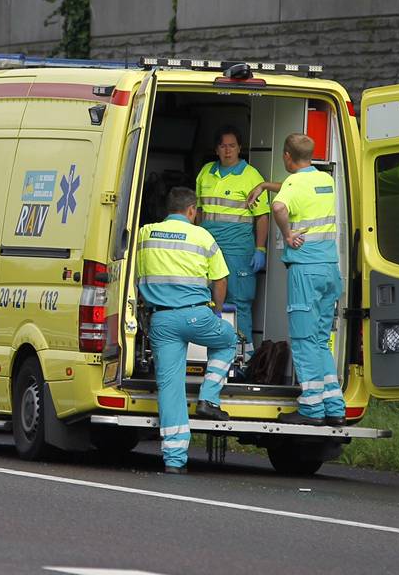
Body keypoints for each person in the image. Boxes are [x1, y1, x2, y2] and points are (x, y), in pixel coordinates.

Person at [137, 186, 238, 474]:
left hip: (162, 321)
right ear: (192, 210)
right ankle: (209, 398)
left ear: (168, 208)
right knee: (228, 340)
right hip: (197, 316)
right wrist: (216, 311)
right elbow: (220, 280)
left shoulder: (146, 234)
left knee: (170, 387)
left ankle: (174, 458)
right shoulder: (202, 236)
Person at [247, 134, 345, 427]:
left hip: (306, 270)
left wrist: (287, 234)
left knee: (303, 341)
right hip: (330, 270)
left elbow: (279, 207)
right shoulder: (325, 180)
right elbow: (296, 189)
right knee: (320, 341)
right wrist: (266, 185)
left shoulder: (293, 184)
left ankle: (312, 409)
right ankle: (334, 406)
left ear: (287, 156)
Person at [195, 125, 269, 364]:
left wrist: (260, 248)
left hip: (238, 250)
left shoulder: (251, 176)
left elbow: (262, 216)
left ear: (240, 148)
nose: (228, 151)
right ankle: (208, 356)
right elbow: (198, 211)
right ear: (216, 149)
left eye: (232, 146)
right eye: (223, 146)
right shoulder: (205, 172)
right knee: (205, 300)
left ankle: (244, 358)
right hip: (208, 248)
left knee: (239, 302)